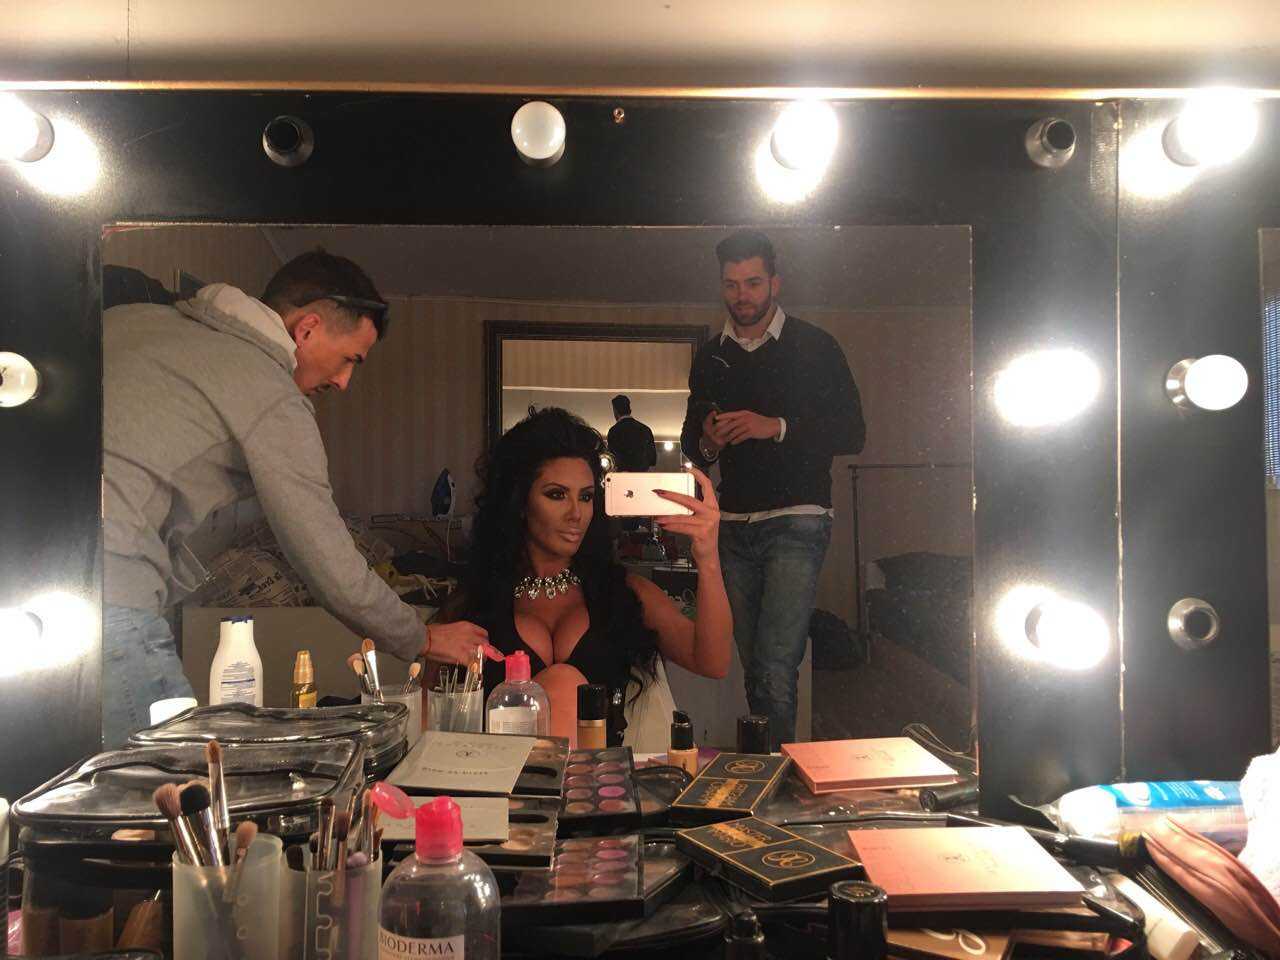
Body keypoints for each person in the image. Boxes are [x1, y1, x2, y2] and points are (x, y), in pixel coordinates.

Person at [102, 250, 499, 748]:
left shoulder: (134, 321)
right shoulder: (272, 394)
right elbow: (326, 559)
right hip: (113, 596)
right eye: (350, 359)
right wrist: (424, 638)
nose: (344, 382)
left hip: (45, 585)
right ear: (307, 328)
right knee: (169, 778)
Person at [432, 407, 731, 744]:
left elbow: (713, 662)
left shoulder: (624, 592)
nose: (576, 513)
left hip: (599, 773)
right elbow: (431, 720)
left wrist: (708, 558)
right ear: (519, 502)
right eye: (556, 495)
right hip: (503, 772)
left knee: (563, 681)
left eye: (586, 496)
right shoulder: (473, 602)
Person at [681, 230, 865, 745]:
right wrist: (710, 440)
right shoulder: (710, 358)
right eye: (731, 284)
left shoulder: (816, 346)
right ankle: (771, 768)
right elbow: (695, 447)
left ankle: (777, 776)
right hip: (733, 523)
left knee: (776, 665)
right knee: (754, 667)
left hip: (798, 517)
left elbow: (853, 433)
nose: (742, 295)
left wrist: (776, 426)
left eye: (753, 282)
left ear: (775, 283)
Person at [606, 394, 657, 472]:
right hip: (642, 476)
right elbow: (653, 459)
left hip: (622, 476)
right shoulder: (645, 429)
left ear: (615, 411)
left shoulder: (614, 431)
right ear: (630, 409)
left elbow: (612, 459)